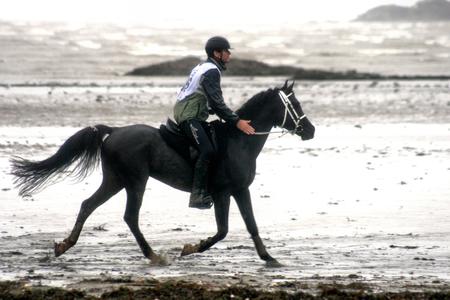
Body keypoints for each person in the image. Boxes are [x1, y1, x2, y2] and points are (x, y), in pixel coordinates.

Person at [174, 36, 255, 209]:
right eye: (227, 51)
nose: (229, 55)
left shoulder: (202, 66)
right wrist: (237, 121)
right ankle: (197, 195)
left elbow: (208, 100)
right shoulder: (212, 70)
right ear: (217, 53)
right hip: (189, 116)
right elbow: (217, 103)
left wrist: (215, 111)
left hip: (190, 111)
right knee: (207, 150)